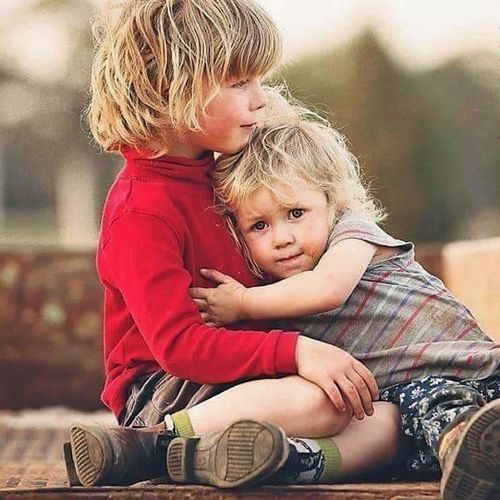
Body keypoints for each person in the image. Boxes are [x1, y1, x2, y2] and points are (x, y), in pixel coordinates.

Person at [64, 0, 402, 490]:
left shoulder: (228, 168)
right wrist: (297, 351)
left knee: (389, 419)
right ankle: (150, 447)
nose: (260, 100)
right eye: (240, 83)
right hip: (164, 390)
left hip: (249, 374)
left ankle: (224, 459)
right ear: (171, 88)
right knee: (324, 401)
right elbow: (180, 346)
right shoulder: (143, 211)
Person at [190, 111, 500, 500]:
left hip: (482, 373)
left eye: (296, 214)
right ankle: (466, 457)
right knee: (399, 416)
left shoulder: (353, 236)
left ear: (331, 202)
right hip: (414, 407)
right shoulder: (281, 294)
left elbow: (329, 288)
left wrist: (243, 303)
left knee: (436, 400)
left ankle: (474, 444)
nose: (282, 238)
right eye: (260, 226)